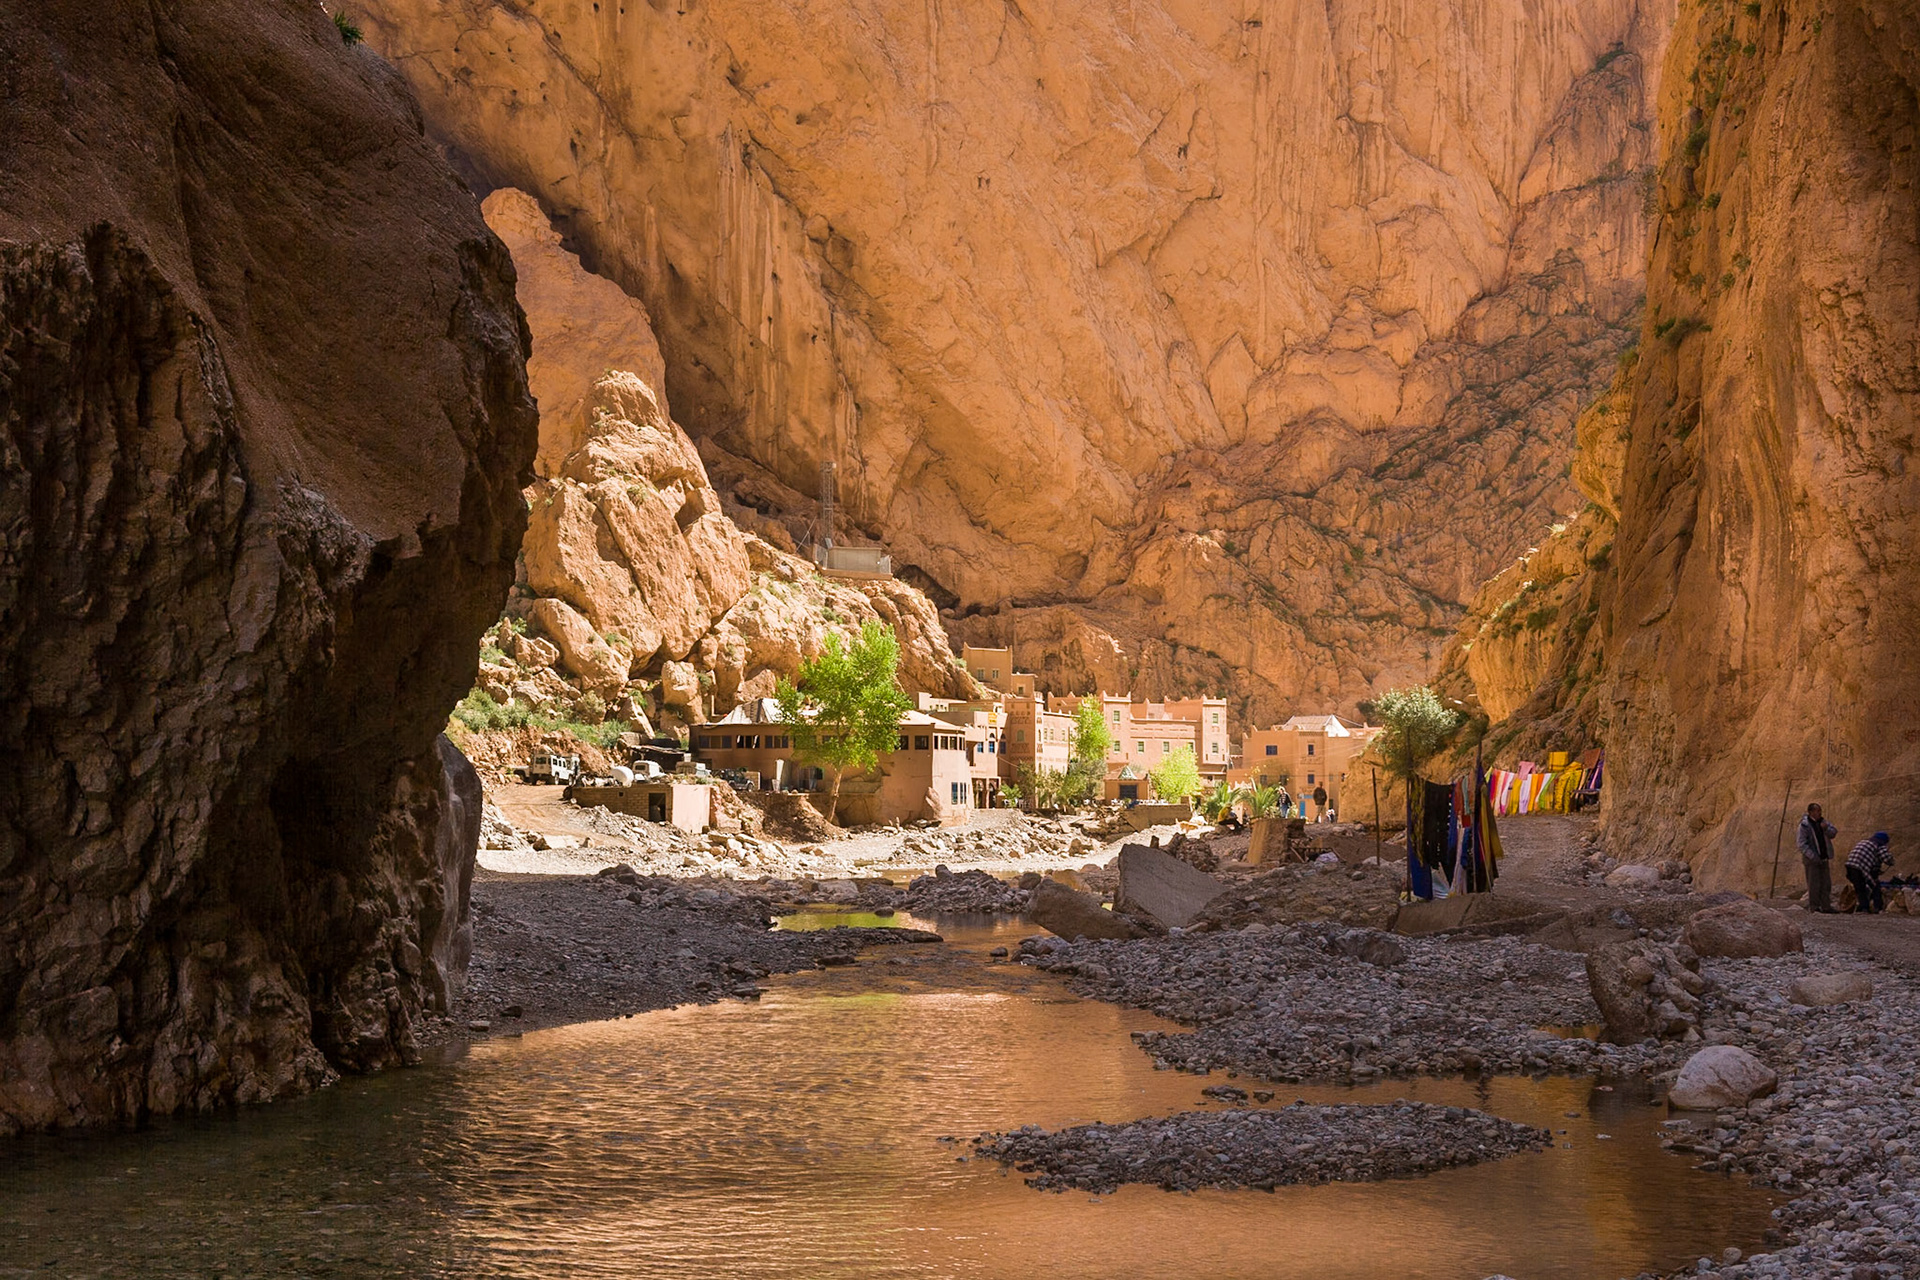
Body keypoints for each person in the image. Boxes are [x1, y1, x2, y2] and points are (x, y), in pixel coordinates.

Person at [1797, 802, 1839, 912]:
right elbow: (1801, 844)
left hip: (1824, 857)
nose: (1819, 813)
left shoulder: (1823, 822)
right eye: (1817, 811)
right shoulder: (1804, 825)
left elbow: (1833, 833)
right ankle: (1814, 907)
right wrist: (1812, 856)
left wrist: (1826, 829)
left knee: (1826, 883)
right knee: (1814, 884)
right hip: (1811, 859)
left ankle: (1826, 906)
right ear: (1811, 812)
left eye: (1820, 811)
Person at [1846, 832, 1892, 914]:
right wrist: (1891, 862)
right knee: (1875, 886)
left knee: (1860, 888)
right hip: (1860, 867)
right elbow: (1886, 858)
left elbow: (1869, 858)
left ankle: (1864, 908)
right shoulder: (1879, 845)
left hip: (1850, 866)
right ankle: (1878, 907)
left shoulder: (1864, 842)